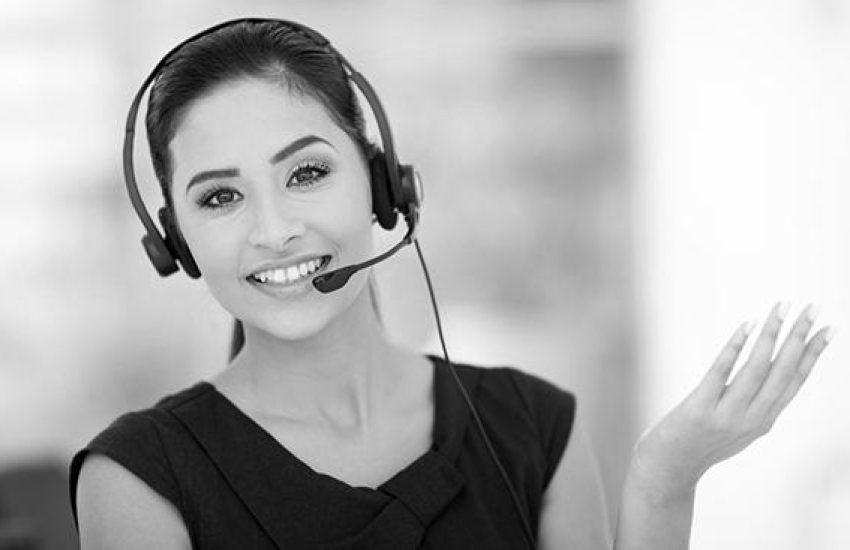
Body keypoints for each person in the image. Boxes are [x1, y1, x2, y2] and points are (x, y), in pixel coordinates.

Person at [68, 19, 834, 549]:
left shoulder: (534, 426)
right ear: (175, 242)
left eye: (306, 172)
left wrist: (665, 478)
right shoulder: (139, 477)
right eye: (220, 197)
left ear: (381, 185)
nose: (273, 231)